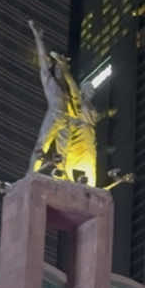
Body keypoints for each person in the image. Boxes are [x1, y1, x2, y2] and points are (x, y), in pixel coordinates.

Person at [27, 20, 97, 185]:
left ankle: (62, 178)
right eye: (58, 67)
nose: (60, 69)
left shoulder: (70, 92)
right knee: (41, 145)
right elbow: (43, 63)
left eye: (62, 67)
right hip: (54, 115)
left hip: (66, 122)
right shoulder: (50, 83)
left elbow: (77, 97)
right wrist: (39, 39)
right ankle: (30, 175)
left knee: (63, 156)